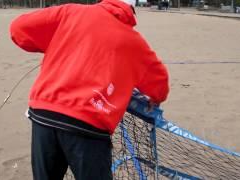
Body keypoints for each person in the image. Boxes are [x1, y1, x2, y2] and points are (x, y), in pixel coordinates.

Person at [10, 0, 169, 179]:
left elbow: (18, 28)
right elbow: (159, 82)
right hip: (88, 125)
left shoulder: (71, 11)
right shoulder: (134, 41)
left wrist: (53, 44)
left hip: (43, 116)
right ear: (131, 10)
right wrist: (156, 98)